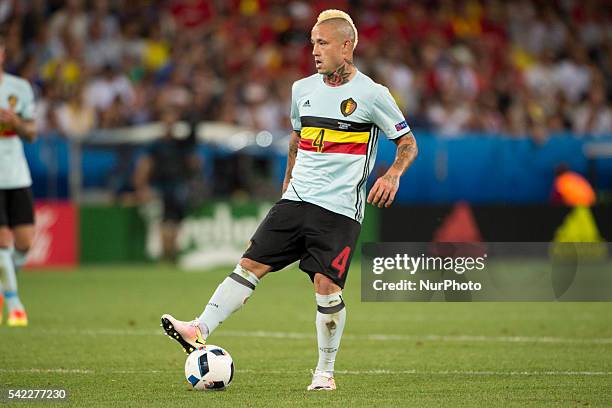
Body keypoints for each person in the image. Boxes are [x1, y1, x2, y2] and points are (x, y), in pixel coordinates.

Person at [161, 9, 418, 391]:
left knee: (326, 289)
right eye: (312, 42)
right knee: (249, 264)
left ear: (346, 46)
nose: (314, 50)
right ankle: (198, 328)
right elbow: (297, 142)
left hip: (339, 210)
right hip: (296, 200)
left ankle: (324, 372)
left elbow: (408, 143)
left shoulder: (372, 94)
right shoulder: (302, 90)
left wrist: (393, 173)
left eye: (323, 43)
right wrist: (286, 187)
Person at [0, 32, 37, 327]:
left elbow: (33, 133)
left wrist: (15, 123)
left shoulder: (19, 88)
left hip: (16, 174)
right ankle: (15, 304)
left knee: (24, 243)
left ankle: (3, 285)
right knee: (3, 239)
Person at [133, 108, 201, 262]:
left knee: (176, 221)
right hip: (161, 187)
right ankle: (165, 253)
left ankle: (172, 253)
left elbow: (193, 162)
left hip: (178, 186)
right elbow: (145, 165)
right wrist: (142, 187)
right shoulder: (156, 145)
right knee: (164, 221)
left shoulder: (180, 145)